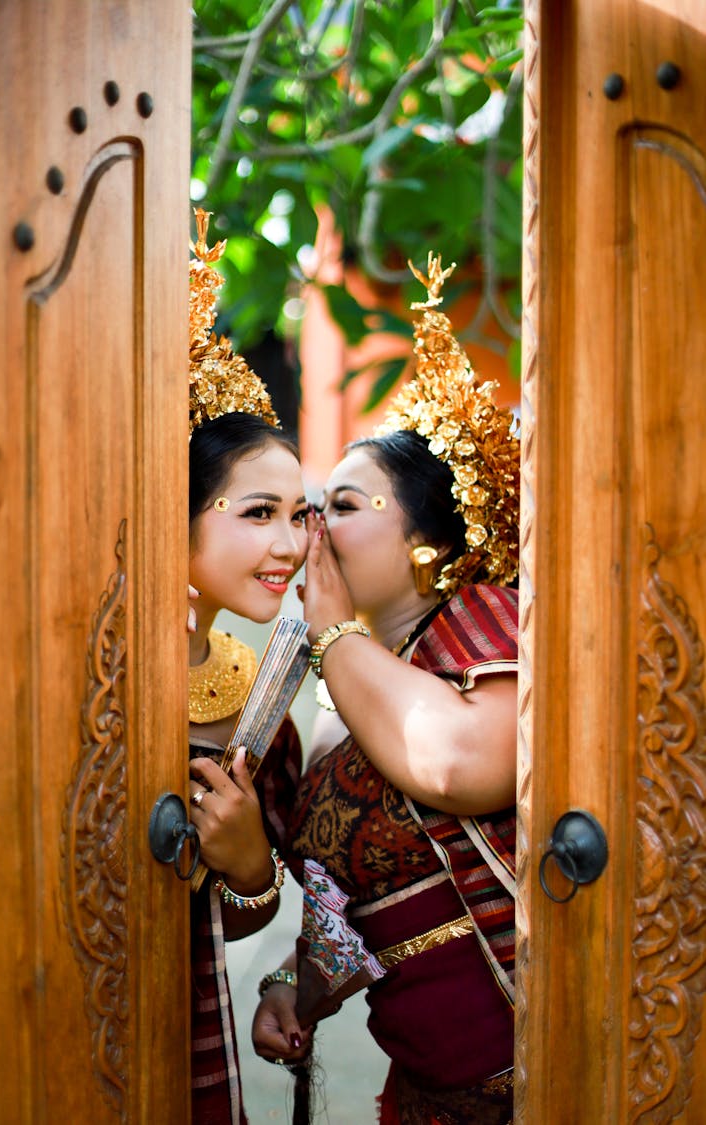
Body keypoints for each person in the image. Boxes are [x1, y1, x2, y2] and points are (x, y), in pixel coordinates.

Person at [251, 254, 520, 1125]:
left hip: (552, 1081)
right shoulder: (340, 694)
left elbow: (460, 764)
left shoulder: (484, 623)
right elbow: (350, 911)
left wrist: (331, 632)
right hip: (431, 1103)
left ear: (425, 545)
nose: (315, 524)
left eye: (346, 502)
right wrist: (297, 987)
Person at [185, 210, 308, 1124]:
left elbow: (234, 919)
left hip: (184, 1030)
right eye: (258, 512)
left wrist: (250, 861)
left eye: (300, 516)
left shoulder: (255, 696)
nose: (292, 543)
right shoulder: (77, 674)